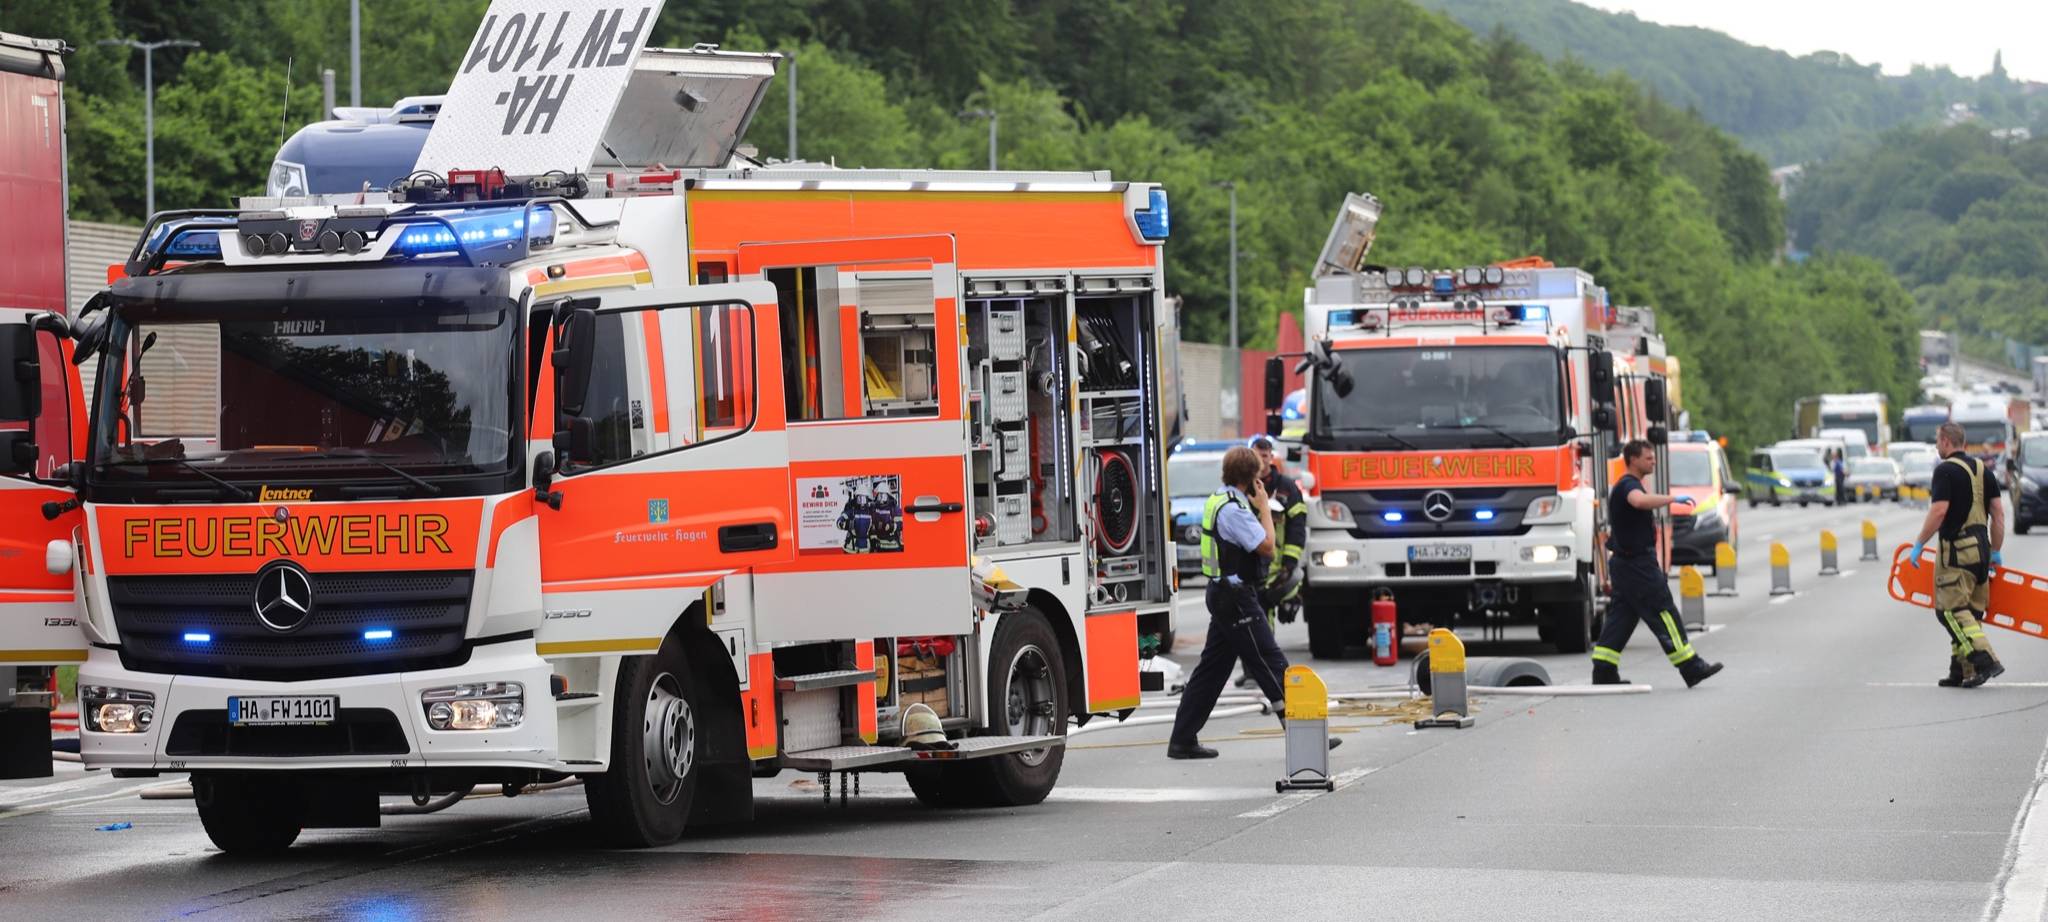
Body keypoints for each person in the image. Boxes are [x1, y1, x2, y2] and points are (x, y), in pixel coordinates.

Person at [1168, 446, 1295, 759]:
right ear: (1250, 478)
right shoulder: (1235, 510)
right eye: (1258, 476)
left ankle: (1182, 739)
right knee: (1271, 660)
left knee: (1211, 670)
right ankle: (1305, 733)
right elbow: (1267, 546)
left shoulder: (1219, 499)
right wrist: (1264, 508)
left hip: (1223, 593)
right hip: (1236, 597)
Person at [1592, 440, 1725, 687]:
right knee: (1664, 611)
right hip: (1637, 566)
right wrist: (1672, 498)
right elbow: (1639, 502)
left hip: (1626, 564)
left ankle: (1603, 670)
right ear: (1633, 460)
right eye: (1648, 458)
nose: (1653, 461)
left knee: (1622, 617)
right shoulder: (1628, 486)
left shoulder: (1630, 484)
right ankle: (1690, 666)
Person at [1909, 421, 2006, 688]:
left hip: (1957, 555)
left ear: (1947, 442)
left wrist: (1919, 544)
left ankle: (1985, 660)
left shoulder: (1945, 471)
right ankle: (1961, 670)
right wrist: (1996, 551)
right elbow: (1998, 513)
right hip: (1981, 553)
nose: (1937, 445)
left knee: (1949, 611)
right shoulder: (1983, 471)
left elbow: (1939, 511)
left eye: (1938, 440)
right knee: (1970, 613)